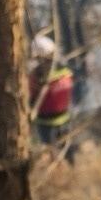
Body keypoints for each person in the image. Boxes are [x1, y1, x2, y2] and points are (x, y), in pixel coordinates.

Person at [28, 35, 75, 163]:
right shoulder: (63, 70)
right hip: (48, 122)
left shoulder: (41, 74)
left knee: (63, 151)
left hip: (58, 121)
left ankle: (67, 169)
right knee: (53, 154)